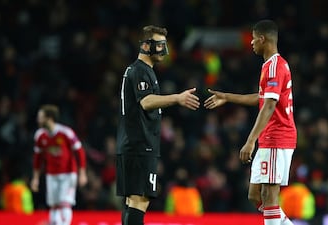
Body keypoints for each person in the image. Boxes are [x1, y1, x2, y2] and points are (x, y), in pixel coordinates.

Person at [204, 20, 297, 225]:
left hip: (277, 136)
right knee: (255, 194)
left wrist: (250, 140)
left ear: (263, 39)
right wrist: (227, 97)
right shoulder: (270, 65)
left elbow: (270, 105)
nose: (252, 43)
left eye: (254, 38)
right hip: (270, 137)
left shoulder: (274, 65)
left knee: (269, 194)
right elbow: (262, 97)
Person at [115, 25, 200, 225]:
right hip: (139, 145)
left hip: (134, 145)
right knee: (139, 201)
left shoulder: (142, 71)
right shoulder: (139, 70)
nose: (164, 49)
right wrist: (178, 98)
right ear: (145, 45)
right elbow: (146, 102)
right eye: (160, 44)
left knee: (132, 201)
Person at [31, 104, 88, 225]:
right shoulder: (40, 136)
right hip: (51, 174)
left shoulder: (66, 132)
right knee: (53, 205)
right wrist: (35, 178)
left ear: (49, 118)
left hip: (68, 174)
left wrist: (82, 173)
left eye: (41, 117)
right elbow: (38, 159)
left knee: (65, 203)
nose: (38, 120)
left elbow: (80, 151)